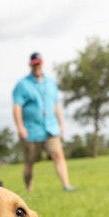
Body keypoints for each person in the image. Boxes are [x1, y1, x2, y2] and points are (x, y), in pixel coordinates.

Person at [12, 52, 77, 192]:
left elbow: (55, 105)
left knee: (58, 155)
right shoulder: (22, 84)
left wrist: (61, 124)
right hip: (31, 130)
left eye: (39, 63)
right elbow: (17, 107)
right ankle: (28, 190)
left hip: (50, 128)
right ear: (31, 65)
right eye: (34, 64)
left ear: (42, 63)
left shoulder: (51, 83)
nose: (37, 66)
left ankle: (66, 185)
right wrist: (20, 127)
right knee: (29, 162)